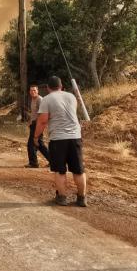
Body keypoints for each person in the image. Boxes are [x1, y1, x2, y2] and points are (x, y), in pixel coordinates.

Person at [34, 75, 86, 207]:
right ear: (61, 86)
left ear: (47, 88)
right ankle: (82, 198)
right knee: (78, 170)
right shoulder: (71, 96)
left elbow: (43, 121)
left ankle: (62, 198)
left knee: (60, 170)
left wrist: (36, 137)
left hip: (58, 139)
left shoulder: (47, 99)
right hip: (75, 137)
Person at [26, 84, 50, 168]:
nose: (33, 92)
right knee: (39, 144)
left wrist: (37, 124)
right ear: (29, 92)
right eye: (31, 90)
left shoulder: (40, 100)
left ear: (37, 91)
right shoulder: (33, 99)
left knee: (31, 144)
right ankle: (53, 161)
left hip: (37, 125)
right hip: (34, 124)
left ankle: (34, 163)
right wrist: (30, 121)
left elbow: (42, 114)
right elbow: (34, 113)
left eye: (34, 90)